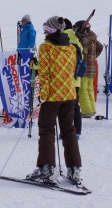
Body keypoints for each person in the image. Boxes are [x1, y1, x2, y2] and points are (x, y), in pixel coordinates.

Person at [26, 16, 82, 186]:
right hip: (69, 95)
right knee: (69, 131)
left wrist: (42, 94)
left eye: (46, 30)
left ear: (50, 31)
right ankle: (74, 169)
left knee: (46, 130)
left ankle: (46, 168)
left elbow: (45, 74)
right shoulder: (71, 48)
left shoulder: (46, 48)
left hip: (52, 96)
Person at [74, 20, 104, 118]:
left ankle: (86, 111)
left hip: (84, 67)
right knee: (89, 89)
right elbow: (100, 46)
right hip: (92, 67)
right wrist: (93, 56)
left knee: (83, 90)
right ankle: (92, 109)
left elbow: (83, 53)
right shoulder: (93, 37)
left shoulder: (84, 39)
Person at [63, 19, 83, 139]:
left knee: (64, 107)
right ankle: (77, 131)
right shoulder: (77, 40)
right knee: (75, 106)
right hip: (76, 78)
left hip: (66, 78)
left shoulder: (64, 40)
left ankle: (66, 131)